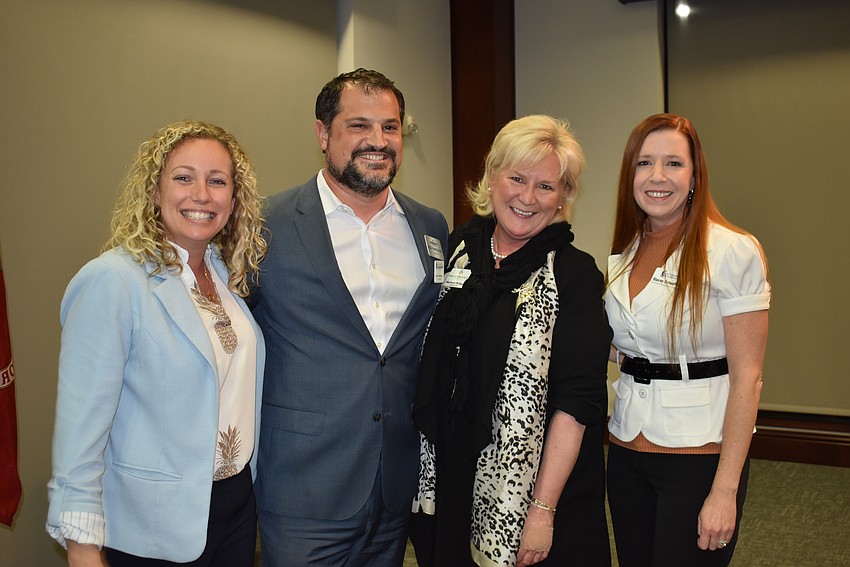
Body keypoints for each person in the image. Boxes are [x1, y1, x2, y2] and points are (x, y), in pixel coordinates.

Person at [46, 120, 267, 567]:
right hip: (150, 531)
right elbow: (79, 437)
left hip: (235, 510)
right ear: (153, 190)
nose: (201, 194)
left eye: (217, 181)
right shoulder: (113, 281)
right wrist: (83, 548)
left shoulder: (227, 276)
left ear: (234, 198)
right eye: (183, 178)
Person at [250, 68, 448, 566]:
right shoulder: (263, 224)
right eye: (359, 126)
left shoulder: (431, 226)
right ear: (323, 133)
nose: (377, 141)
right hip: (303, 487)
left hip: (392, 487)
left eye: (390, 127)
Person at [410, 115, 613, 567]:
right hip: (454, 472)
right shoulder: (462, 244)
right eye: (517, 178)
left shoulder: (574, 274)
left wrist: (541, 511)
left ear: (564, 197)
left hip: (533, 488)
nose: (527, 197)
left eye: (546, 186)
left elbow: (577, 402)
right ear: (491, 177)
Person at [604, 113, 770, 567]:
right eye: (644, 163)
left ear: (695, 175)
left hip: (700, 454)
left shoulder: (733, 250)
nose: (657, 177)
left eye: (673, 164)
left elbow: (748, 378)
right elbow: (633, 344)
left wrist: (725, 490)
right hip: (625, 447)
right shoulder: (625, 249)